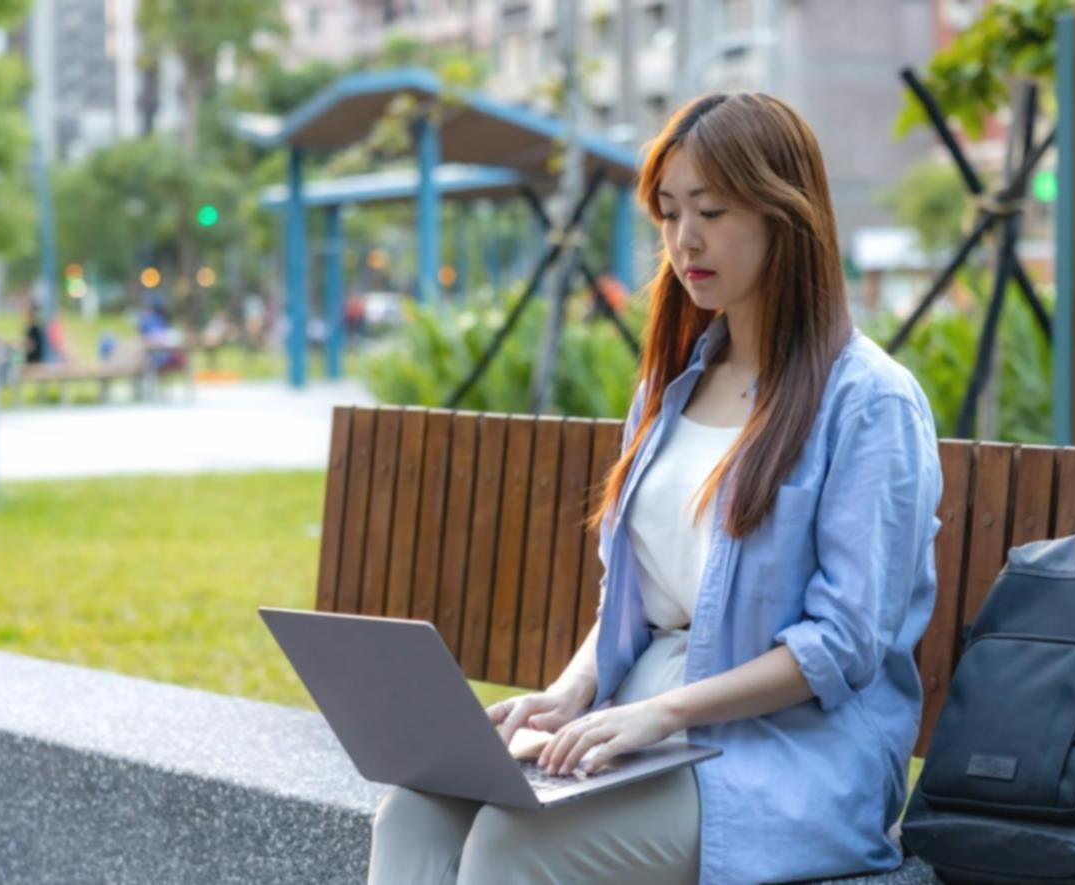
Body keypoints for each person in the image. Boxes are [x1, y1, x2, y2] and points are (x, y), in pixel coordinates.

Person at [366, 92, 945, 885]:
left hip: (781, 760)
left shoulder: (870, 401)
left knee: (512, 842)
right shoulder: (672, 384)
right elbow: (632, 595)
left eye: (711, 209)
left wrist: (664, 711)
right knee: (415, 809)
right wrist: (569, 691)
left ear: (786, 213)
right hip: (636, 727)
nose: (684, 240)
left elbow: (842, 643)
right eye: (669, 213)